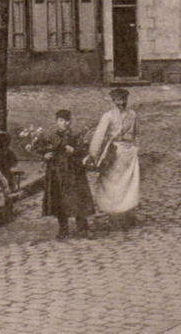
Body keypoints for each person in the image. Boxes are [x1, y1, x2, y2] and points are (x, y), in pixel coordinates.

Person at [86, 86, 140, 220]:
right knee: (113, 181)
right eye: (118, 100)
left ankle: (126, 210)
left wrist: (135, 147)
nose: (121, 103)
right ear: (113, 101)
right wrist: (94, 154)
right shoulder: (108, 116)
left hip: (128, 153)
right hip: (114, 153)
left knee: (128, 182)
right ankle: (115, 210)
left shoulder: (132, 115)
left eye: (123, 100)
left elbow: (136, 133)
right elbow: (99, 136)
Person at [43, 108, 94, 238]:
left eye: (67, 121)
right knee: (59, 200)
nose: (64, 123)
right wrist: (45, 155)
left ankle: (82, 227)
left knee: (77, 198)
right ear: (56, 122)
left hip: (73, 171)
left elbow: (84, 150)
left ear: (70, 122)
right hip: (57, 172)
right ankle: (63, 229)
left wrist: (75, 151)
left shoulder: (75, 135)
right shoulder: (51, 136)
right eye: (61, 120)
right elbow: (44, 149)